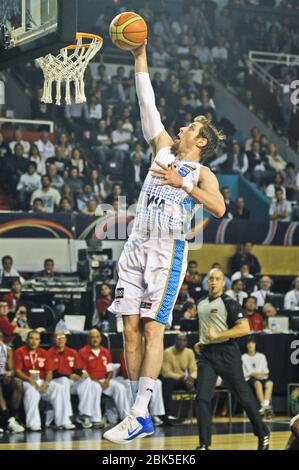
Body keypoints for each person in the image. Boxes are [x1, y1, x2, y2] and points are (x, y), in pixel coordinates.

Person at [104, 40, 225, 444]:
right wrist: (139, 56)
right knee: (129, 329)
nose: (183, 126)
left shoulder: (201, 171)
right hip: (136, 244)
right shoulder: (161, 149)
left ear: (202, 140)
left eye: (191, 126)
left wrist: (184, 186)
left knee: (154, 329)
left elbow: (220, 209)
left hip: (167, 250)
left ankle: (140, 412)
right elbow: (147, 100)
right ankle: (136, 413)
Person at [196, 268, 270, 450]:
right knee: (202, 398)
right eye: (211, 278)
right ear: (207, 282)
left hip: (227, 353)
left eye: (217, 279)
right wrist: (202, 341)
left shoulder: (229, 303)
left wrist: (218, 335)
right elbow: (207, 328)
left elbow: (244, 329)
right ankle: (204, 444)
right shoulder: (200, 302)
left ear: (223, 283)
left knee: (243, 396)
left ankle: (263, 432)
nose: (213, 282)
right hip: (207, 354)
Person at [15, 330, 74, 431]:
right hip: (26, 381)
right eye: (31, 338)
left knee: (58, 388)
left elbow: (49, 372)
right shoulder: (20, 351)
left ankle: (63, 421)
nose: (34, 341)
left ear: (39, 341)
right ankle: (33, 424)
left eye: (37, 339)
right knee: (31, 392)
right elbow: (18, 371)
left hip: (41, 381)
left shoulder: (44, 353)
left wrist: (47, 382)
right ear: (27, 340)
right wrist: (30, 380)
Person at [48, 331, 103, 429]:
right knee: (64, 380)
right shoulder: (49, 353)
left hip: (71, 383)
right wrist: (69, 375)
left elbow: (78, 368)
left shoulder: (72, 352)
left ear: (66, 340)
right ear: (53, 340)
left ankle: (85, 415)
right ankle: (67, 416)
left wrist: (81, 374)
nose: (60, 340)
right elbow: (52, 372)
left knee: (89, 382)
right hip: (57, 382)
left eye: (62, 337)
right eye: (57, 337)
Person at [79, 329, 130, 425]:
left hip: (104, 380)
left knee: (120, 387)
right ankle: (95, 419)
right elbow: (85, 372)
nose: (95, 339)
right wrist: (99, 383)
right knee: (96, 387)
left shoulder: (106, 352)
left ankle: (126, 417)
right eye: (92, 337)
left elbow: (110, 370)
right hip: (91, 381)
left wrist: (107, 381)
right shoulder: (83, 352)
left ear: (101, 338)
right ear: (88, 339)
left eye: (97, 337)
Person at [116, 351, 165, 426]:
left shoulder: (147, 352)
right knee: (131, 384)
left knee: (157, 383)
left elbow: (152, 369)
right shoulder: (126, 352)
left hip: (141, 377)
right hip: (125, 378)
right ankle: (132, 416)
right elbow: (126, 372)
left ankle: (155, 414)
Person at [161, 334, 197, 419]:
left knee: (201, 382)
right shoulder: (167, 352)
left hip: (186, 379)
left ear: (187, 342)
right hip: (174, 379)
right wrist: (181, 377)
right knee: (167, 383)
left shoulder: (189, 352)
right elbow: (166, 372)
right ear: (175, 341)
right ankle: (167, 414)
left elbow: (194, 369)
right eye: (179, 340)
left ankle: (198, 412)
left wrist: (191, 378)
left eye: (184, 340)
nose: (181, 342)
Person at [0, 330, 25, 433]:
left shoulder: (7, 349)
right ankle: (6, 418)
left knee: (18, 383)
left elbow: (11, 368)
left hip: (2, 376)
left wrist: (9, 373)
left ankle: (12, 419)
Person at [242, 338, 273, 417]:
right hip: (250, 379)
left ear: (255, 345)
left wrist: (256, 374)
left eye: (252, 343)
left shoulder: (261, 356)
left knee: (270, 383)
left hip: (262, 377)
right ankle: (264, 407)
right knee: (258, 383)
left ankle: (265, 406)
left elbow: (266, 373)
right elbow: (244, 374)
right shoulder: (244, 357)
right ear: (246, 345)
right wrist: (253, 374)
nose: (250, 345)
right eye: (248, 343)